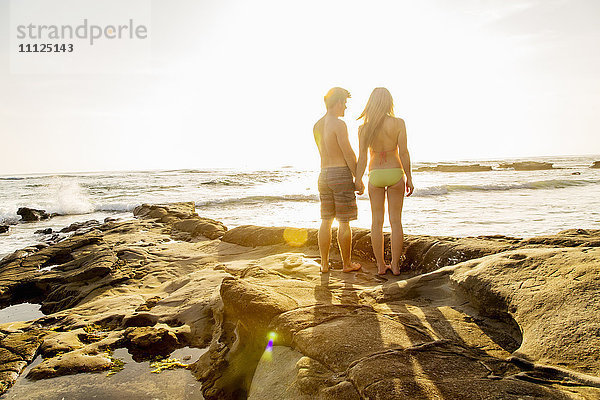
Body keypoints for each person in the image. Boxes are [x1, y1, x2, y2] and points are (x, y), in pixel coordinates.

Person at [355, 87, 414, 275]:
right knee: (396, 221)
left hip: (376, 174)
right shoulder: (398, 123)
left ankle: (381, 266)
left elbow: (362, 158)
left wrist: (358, 179)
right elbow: (403, 152)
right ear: (389, 102)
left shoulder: (364, 128)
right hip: (395, 172)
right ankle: (395, 266)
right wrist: (409, 177)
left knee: (376, 222)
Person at [313, 87, 362, 273]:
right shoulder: (339, 125)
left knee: (326, 220)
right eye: (345, 103)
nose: (346, 108)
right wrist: (358, 178)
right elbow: (348, 154)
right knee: (344, 222)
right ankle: (346, 264)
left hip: (323, 174)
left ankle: (324, 264)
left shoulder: (316, 125)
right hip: (340, 174)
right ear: (339, 102)